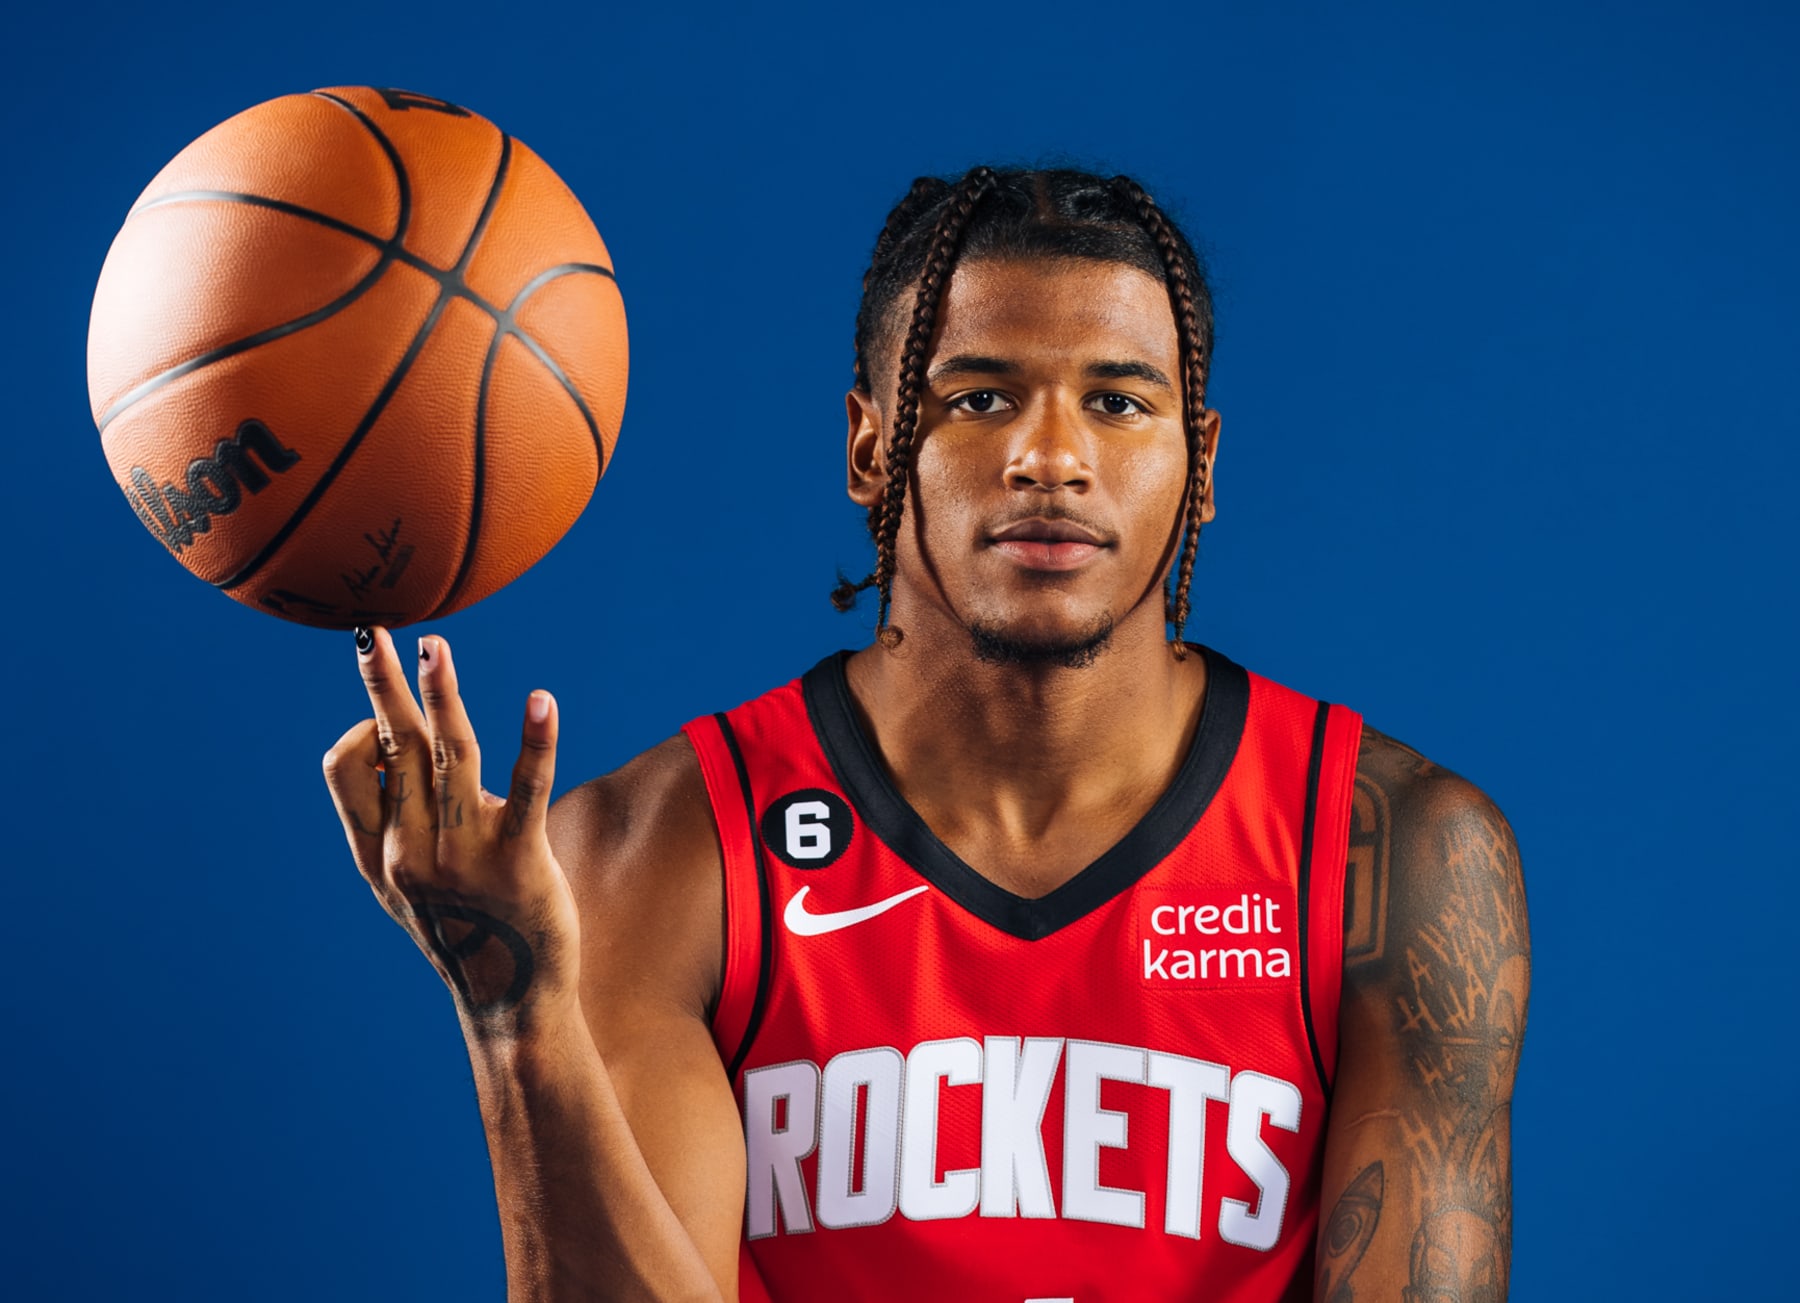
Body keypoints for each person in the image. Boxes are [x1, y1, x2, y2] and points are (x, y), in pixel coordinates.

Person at [322, 166, 1529, 1301]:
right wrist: (515, 1011)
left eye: (1117, 402)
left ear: (1198, 463)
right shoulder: (659, 853)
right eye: (978, 398)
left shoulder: (1392, 856)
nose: (1049, 458)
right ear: (869, 447)